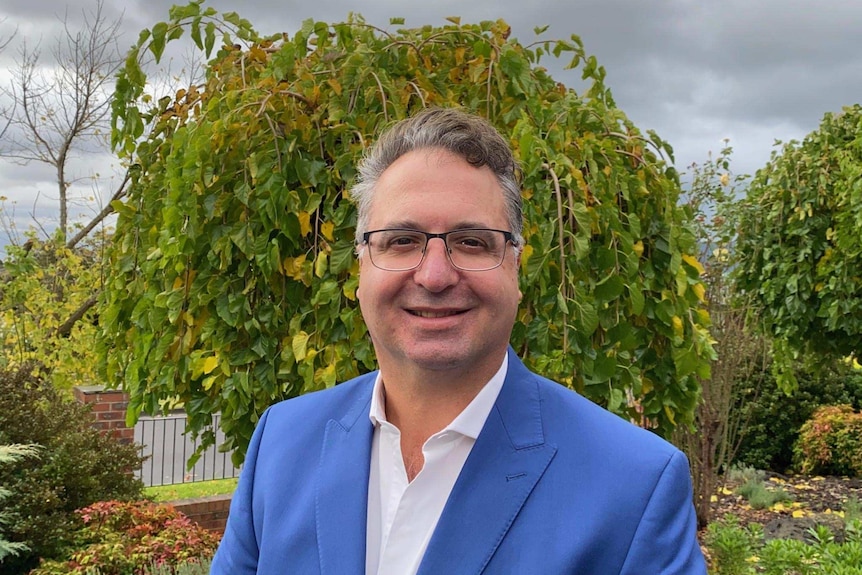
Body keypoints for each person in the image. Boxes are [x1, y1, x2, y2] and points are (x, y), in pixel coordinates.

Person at [210, 107, 707, 574]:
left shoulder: (635, 485)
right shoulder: (282, 440)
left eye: (471, 242)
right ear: (360, 264)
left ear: (516, 266)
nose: (434, 275)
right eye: (401, 240)